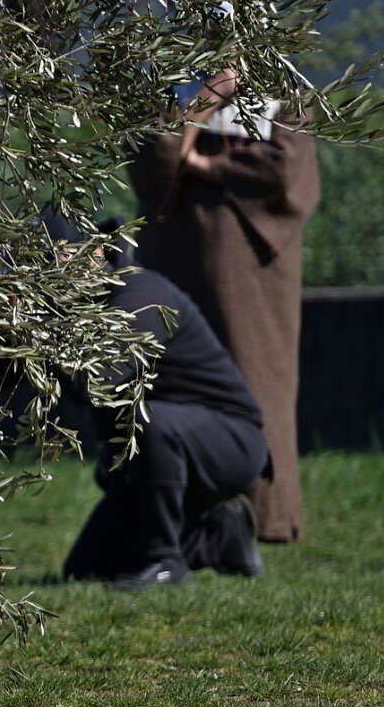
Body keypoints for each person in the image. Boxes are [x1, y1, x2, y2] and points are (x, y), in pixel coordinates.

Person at [126, 66, 319, 543]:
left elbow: (285, 173)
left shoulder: (286, 90)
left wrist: (202, 165)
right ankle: (176, 518)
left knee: (257, 376)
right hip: (173, 258)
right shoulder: (168, 84)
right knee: (175, 385)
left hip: (254, 272)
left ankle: (263, 515)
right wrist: (205, 99)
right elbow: (153, 158)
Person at [61, 221, 269, 591]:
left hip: (231, 441)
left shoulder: (141, 294)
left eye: (56, 256)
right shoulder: (83, 307)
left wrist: (36, 334)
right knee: (85, 568)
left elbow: (98, 380)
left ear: (95, 250)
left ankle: (165, 560)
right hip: (159, 447)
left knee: (150, 421)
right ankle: (219, 535)